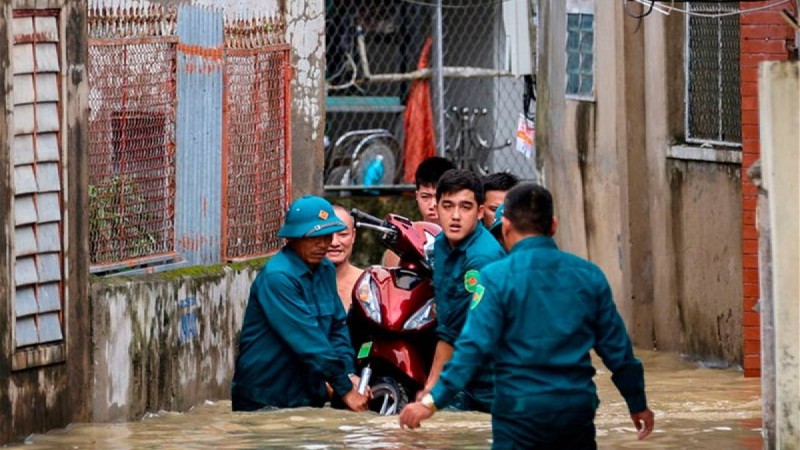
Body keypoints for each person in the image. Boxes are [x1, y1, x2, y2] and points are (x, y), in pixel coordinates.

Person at [399, 184, 655, 449]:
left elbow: (471, 349)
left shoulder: (494, 279)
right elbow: (619, 354)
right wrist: (637, 404)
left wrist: (431, 402)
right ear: (553, 226)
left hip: (519, 416)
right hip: (574, 414)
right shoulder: (589, 277)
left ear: (506, 226)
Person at [232, 195, 369, 412]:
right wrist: (345, 389)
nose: (324, 244)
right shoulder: (278, 277)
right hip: (265, 398)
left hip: (306, 395)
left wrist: (349, 375)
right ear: (293, 239)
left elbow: (336, 328)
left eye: (327, 236)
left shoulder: (325, 269)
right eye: (314, 237)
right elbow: (309, 341)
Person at [417, 169, 506, 412]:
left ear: (479, 212)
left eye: (465, 207)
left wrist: (432, 386)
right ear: (437, 207)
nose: (455, 216)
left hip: (493, 378)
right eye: (448, 206)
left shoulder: (481, 258)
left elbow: (455, 331)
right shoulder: (441, 244)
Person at [384, 156, 456, 266]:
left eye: (438, 197)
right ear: (417, 196)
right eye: (425, 196)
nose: (433, 205)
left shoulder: (465, 242)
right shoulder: (402, 244)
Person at [327, 204, 364, 310]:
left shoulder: (368, 283)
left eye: (343, 234)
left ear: (353, 236)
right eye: (327, 235)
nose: (334, 243)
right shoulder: (301, 285)